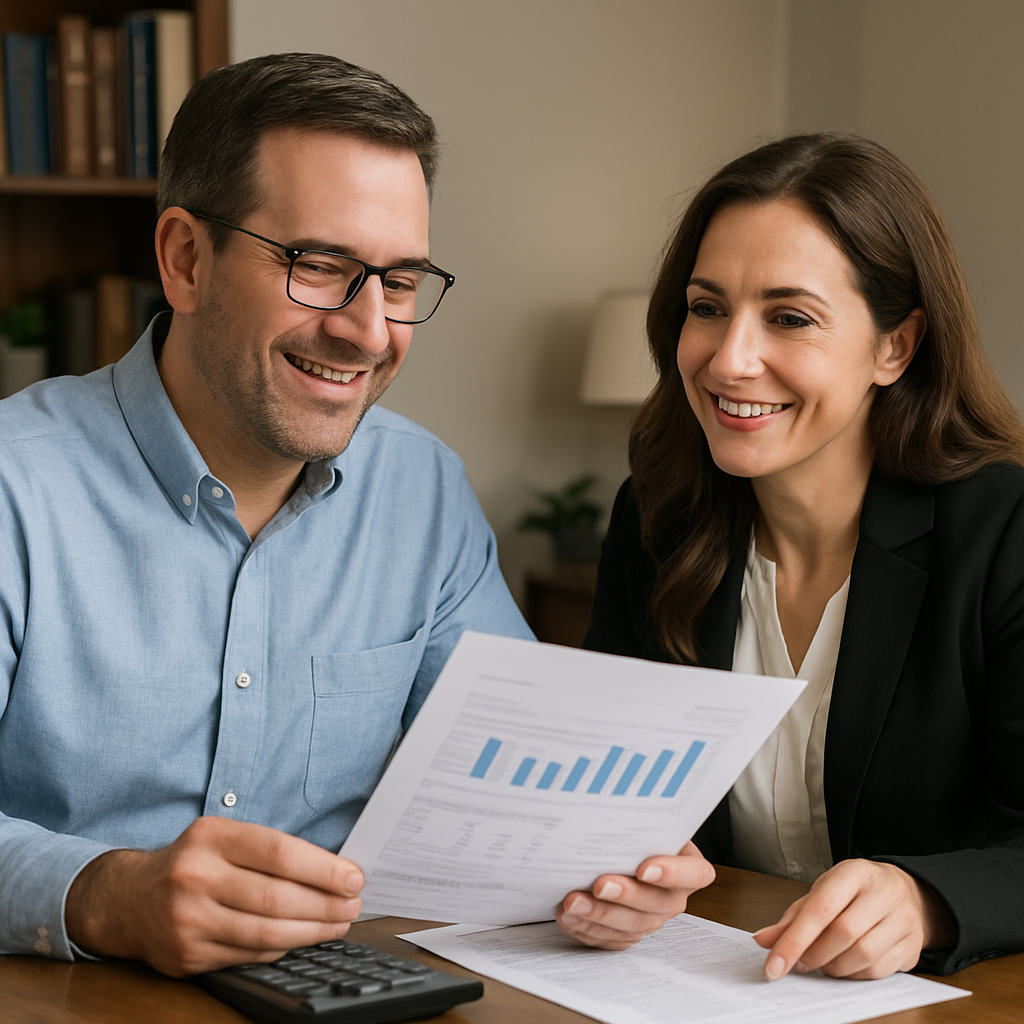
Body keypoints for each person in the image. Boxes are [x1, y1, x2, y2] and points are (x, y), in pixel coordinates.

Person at [0, 52, 537, 976]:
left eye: (400, 282)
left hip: (344, 989)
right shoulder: (15, 485)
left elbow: (518, 773)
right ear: (185, 260)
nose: (368, 330)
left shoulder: (424, 491)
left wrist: (605, 860)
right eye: (319, 266)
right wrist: (104, 892)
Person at [558, 133, 1024, 979]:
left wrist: (925, 899)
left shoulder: (1006, 531)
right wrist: (629, 876)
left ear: (897, 346)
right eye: (706, 307)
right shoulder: (655, 518)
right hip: (712, 983)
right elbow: (611, 810)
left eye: (789, 317)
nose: (729, 359)